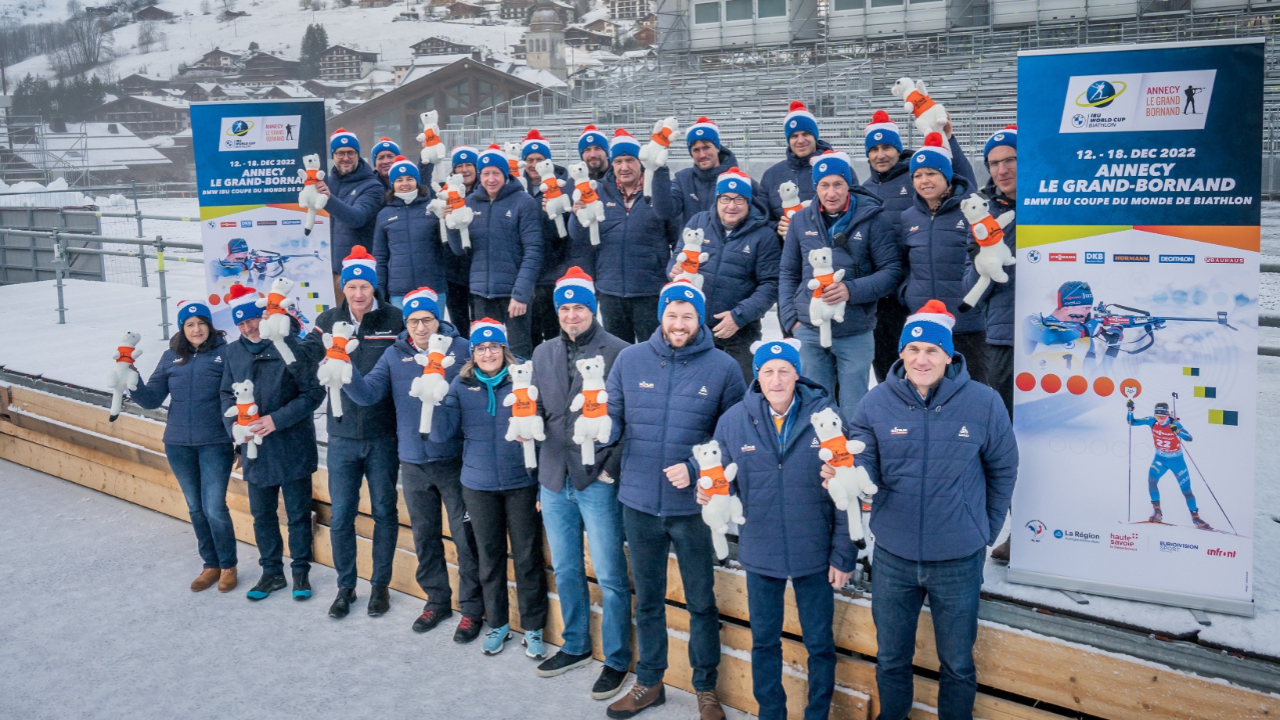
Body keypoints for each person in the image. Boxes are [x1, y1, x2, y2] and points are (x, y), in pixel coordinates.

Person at [844, 300, 1017, 720]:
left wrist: (983, 533)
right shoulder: (874, 404)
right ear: (901, 353)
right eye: (914, 350)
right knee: (891, 660)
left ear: (948, 355)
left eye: (932, 351)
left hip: (958, 558)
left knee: (957, 665)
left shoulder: (984, 402)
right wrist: (852, 478)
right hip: (893, 556)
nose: (922, 359)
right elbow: (862, 462)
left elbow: (1004, 470)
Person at [603, 281, 745, 720]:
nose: (679, 324)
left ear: (699, 318)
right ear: (660, 316)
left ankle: (705, 689)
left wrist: (698, 469)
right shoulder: (629, 359)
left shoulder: (724, 367)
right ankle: (650, 682)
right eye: (672, 315)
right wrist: (594, 431)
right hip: (640, 501)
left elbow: (735, 437)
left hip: (694, 508)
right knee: (646, 599)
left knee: (701, 601)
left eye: (687, 316)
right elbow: (611, 416)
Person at [701, 339, 857, 720]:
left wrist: (843, 553)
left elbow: (845, 490)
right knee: (765, 642)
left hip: (814, 551)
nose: (776, 379)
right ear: (757, 376)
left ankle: (816, 714)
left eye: (784, 370)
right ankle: (772, 713)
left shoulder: (827, 417)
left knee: (819, 643)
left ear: (796, 373)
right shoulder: (734, 420)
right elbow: (718, 477)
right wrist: (705, 492)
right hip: (762, 550)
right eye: (767, 371)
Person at [342, 286, 486, 640]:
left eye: (427, 320)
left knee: (465, 538)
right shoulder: (395, 354)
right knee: (425, 537)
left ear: (439, 320)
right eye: (413, 321)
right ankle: (437, 600)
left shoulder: (463, 349)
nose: (421, 328)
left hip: (454, 461)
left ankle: (472, 608)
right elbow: (369, 393)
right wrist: (343, 370)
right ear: (405, 323)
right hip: (412, 461)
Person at [529, 268, 632, 700]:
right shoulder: (542, 353)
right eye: (565, 308)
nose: (572, 315)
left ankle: (618, 658)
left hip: (597, 480)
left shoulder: (622, 353)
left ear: (593, 309)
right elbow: (535, 412)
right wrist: (538, 478)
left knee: (609, 574)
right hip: (555, 478)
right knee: (567, 567)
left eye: (580, 308)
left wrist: (610, 468)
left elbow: (630, 421)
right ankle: (574, 644)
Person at [430, 319, 548, 658]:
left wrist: (541, 486)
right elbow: (441, 434)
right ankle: (498, 624)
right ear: (473, 354)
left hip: (521, 483)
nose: (487, 353)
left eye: (494, 346)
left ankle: (534, 628)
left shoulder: (525, 381)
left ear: (504, 350)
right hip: (478, 485)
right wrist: (435, 400)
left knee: (527, 557)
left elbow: (542, 435)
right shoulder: (460, 385)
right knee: (489, 558)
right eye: (480, 348)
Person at [304, 246, 404, 619]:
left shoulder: (394, 318)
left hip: (383, 433)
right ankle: (346, 587)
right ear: (343, 288)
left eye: (365, 286)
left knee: (383, 511)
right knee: (343, 514)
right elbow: (305, 361)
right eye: (352, 286)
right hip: (343, 433)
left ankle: (380, 586)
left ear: (374, 287)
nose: (359, 293)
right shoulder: (327, 319)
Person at [219, 283, 325, 602]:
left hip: (292, 445)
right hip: (255, 450)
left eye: (252, 320)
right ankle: (271, 572)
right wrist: (235, 429)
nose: (248, 328)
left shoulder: (288, 345)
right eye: (240, 324)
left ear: (263, 318)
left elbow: (313, 393)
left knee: (297, 514)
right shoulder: (233, 352)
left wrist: (276, 419)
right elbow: (226, 393)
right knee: (262, 515)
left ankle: (301, 570)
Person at [778, 149, 903, 415]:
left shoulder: (873, 219)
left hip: (855, 331)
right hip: (809, 330)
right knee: (814, 407)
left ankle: (854, 456)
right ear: (815, 187)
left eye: (838, 184)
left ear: (849, 185)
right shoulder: (801, 220)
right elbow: (788, 273)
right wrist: (792, 321)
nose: (831, 193)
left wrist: (850, 290)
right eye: (824, 185)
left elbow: (891, 271)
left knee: (854, 409)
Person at [128, 300, 237, 593]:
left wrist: (239, 437)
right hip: (178, 444)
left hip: (215, 442)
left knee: (214, 507)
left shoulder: (226, 354)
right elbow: (151, 399)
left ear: (210, 325)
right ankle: (210, 565)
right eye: (189, 324)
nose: (196, 329)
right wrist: (131, 378)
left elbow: (239, 396)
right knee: (195, 508)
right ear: (182, 329)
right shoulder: (170, 357)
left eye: (201, 323)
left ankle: (228, 565)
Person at [665, 168, 780, 382]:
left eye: (739, 199)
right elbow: (678, 256)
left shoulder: (764, 235)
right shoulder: (699, 222)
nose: (731, 205)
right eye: (725, 198)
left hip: (740, 332)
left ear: (749, 202)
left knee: (737, 392)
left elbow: (770, 285)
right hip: (696, 328)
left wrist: (739, 316)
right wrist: (673, 268)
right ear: (717, 200)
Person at [568, 129, 680, 345]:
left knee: (653, 350)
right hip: (611, 291)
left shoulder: (657, 192)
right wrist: (576, 214)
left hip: (649, 290)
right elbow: (579, 237)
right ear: (612, 163)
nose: (624, 167)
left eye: (630, 160)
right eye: (618, 161)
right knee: (617, 353)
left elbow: (677, 237)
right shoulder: (599, 191)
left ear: (640, 162)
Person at [897, 128, 990, 385]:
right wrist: (908, 292)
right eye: (917, 175)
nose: (924, 180)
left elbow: (980, 260)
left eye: (931, 173)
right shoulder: (908, 217)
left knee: (974, 390)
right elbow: (902, 262)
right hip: (925, 324)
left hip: (967, 322)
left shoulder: (970, 211)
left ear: (946, 176)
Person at [965, 126, 1018, 563]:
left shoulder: (1054, 206)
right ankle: (1022, 526)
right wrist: (985, 262)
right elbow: (970, 290)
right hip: (1003, 339)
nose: (1001, 169)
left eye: (1009, 160)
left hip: (1059, 335)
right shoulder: (984, 213)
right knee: (1010, 438)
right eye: (994, 163)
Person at [446, 144, 544, 359]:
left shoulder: (523, 202)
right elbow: (460, 250)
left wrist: (521, 294)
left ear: (505, 173)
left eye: (496, 173)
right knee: (486, 354)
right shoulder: (470, 202)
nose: (491, 179)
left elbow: (534, 250)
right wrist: (450, 224)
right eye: (486, 173)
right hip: (481, 295)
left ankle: (521, 392)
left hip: (512, 296)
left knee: (517, 354)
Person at [859, 111, 915, 384]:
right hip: (880, 295)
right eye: (874, 149)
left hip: (913, 289)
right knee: (884, 364)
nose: (881, 155)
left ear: (898, 149)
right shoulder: (864, 189)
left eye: (887, 147)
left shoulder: (916, 179)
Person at [655, 116, 763, 228]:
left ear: (717, 147)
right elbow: (665, 212)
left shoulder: (742, 182)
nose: (702, 155)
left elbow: (760, 218)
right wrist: (659, 170)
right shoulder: (683, 179)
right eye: (696, 150)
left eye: (706, 148)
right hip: (692, 244)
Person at [318, 129, 385, 299]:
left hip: (356, 272)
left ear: (358, 155)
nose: (345, 158)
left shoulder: (372, 186)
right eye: (340, 153)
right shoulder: (326, 182)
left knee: (358, 322)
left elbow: (357, 218)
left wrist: (328, 198)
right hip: (324, 270)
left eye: (350, 153)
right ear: (333, 155)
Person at [372, 156, 447, 308]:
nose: (405, 184)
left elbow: (447, 246)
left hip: (433, 288)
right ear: (393, 184)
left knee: (435, 331)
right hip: (399, 291)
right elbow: (380, 257)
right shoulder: (384, 214)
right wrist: (379, 289)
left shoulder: (433, 208)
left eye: (409, 179)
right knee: (403, 332)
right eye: (399, 180)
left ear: (417, 182)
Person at [520, 129, 572, 348]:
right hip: (525, 274)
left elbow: (570, 231)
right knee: (528, 335)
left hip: (553, 271)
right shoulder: (515, 187)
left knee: (554, 334)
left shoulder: (564, 186)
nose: (534, 165)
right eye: (529, 160)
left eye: (539, 160)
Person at [760, 100, 842, 233]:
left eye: (806, 134)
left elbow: (853, 212)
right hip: (785, 250)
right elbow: (760, 219)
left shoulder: (839, 168)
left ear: (815, 136)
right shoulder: (771, 175)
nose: (800, 140)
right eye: (794, 136)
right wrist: (777, 228)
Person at [1129, 401, 1211, 529]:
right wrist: (1130, 410)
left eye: (1163, 417)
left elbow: (1189, 438)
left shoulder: (1174, 423)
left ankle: (1196, 518)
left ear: (1168, 415)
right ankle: (1157, 511)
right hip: (1160, 459)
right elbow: (1131, 422)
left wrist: (1177, 431)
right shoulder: (1152, 421)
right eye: (1157, 417)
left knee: (1186, 491)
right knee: (1152, 480)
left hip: (1177, 462)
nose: (1160, 420)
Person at [445, 145, 480, 332]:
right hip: (454, 272)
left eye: (469, 165)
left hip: (479, 271)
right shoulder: (445, 193)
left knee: (480, 323)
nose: (464, 170)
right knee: (459, 324)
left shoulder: (485, 193)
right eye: (459, 166)